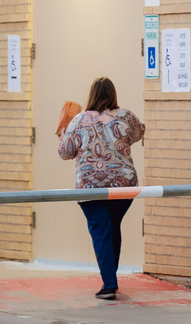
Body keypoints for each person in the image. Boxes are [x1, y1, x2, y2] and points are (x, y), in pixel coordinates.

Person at [58, 76, 146, 301]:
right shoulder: (125, 116)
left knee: (101, 231)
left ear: (92, 95)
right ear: (113, 95)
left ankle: (109, 285)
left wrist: (63, 135)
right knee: (112, 228)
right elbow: (139, 133)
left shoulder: (79, 120)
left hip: (91, 186)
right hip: (123, 185)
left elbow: (65, 152)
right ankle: (111, 279)